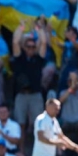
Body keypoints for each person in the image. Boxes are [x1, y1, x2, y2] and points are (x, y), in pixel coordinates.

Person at [11, 20, 47, 149]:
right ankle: (21, 150)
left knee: (38, 124)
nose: (31, 48)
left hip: (35, 95)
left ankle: (39, 150)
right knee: (20, 124)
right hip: (21, 94)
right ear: (24, 47)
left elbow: (43, 42)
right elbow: (15, 41)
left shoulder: (38, 59)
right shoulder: (19, 58)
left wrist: (39, 28)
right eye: (28, 46)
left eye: (33, 46)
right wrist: (21, 27)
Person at [59, 72, 78, 146]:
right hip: (66, 120)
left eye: (73, 80)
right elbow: (60, 100)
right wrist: (71, 88)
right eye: (70, 80)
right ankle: (60, 152)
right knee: (56, 125)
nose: (72, 82)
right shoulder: (64, 92)